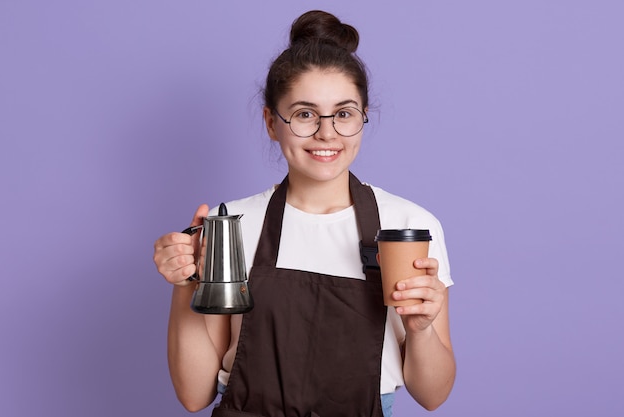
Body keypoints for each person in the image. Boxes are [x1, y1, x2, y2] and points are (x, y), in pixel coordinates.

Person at [153, 10, 455, 417]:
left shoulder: (406, 228)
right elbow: (194, 395)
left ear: (364, 119)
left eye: (344, 114)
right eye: (304, 114)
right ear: (271, 123)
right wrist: (185, 281)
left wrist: (420, 330)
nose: (326, 132)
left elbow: (432, 395)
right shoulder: (231, 224)